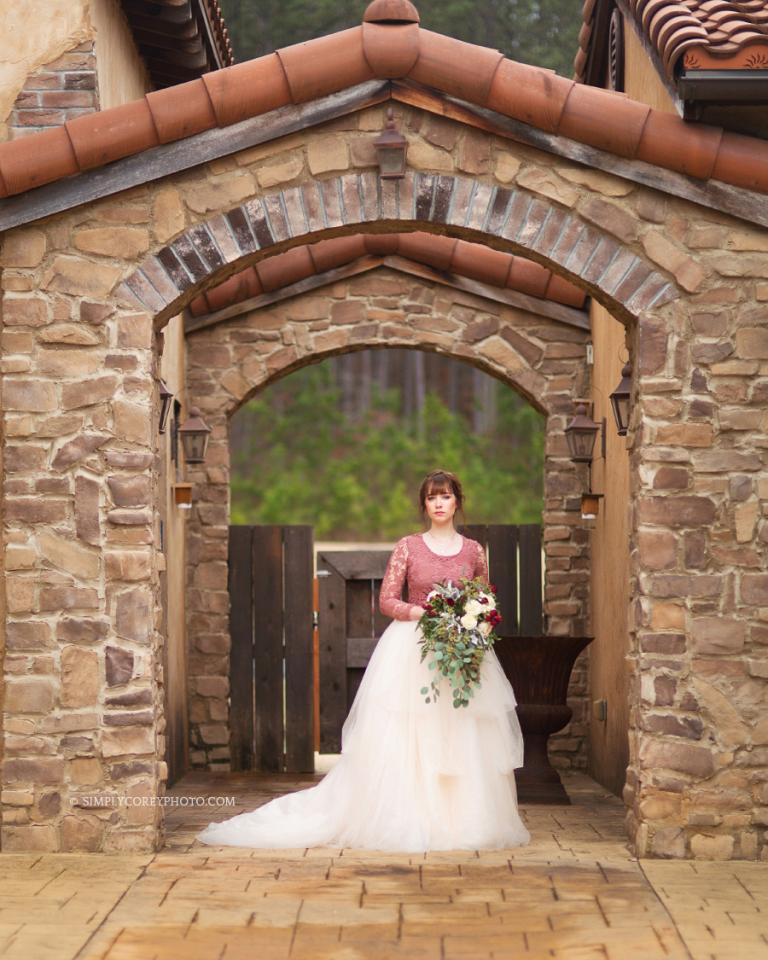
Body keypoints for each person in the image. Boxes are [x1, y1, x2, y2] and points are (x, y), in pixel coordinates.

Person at [197, 469, 530, 851]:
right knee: (411, 733)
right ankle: (411, 818)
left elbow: (484, 598)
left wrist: (471, 618)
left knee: (463, 732)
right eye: (431, 497)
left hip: (462, 648)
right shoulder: (408, 546)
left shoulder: (473, 551)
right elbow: (387, 599)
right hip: (414, 648)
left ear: (457, 501)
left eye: (446, 496)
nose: (439, 503)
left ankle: (465, 822)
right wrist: (423, 611)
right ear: (424, 505)